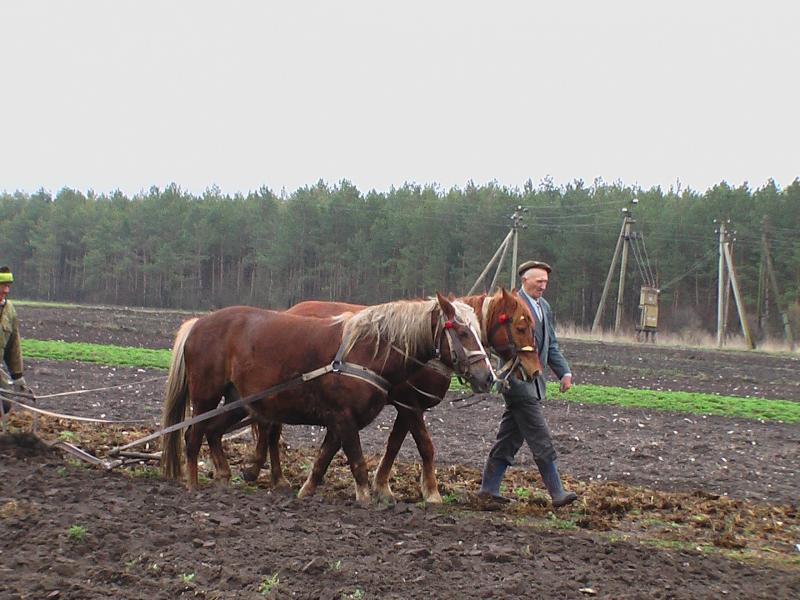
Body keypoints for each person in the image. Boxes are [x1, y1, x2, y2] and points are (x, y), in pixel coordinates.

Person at [477, 260, 578, 508]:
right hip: (517, 382)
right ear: (525, 280)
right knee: (539, 435)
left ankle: (488, 490)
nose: (543, 286)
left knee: (509, 438)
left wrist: (564, 372)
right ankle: (557, 492)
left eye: (545, 282)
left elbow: (550, 344)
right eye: (538, 281)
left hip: (535, 380)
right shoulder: (511, 305)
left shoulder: (544, 307)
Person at [1, 266, 32, 415]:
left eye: (8, 286)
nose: (6, 290)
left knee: (5, 404)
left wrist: (18, 377)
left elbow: (13, 346)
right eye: (2, 286)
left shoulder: (9, 310)